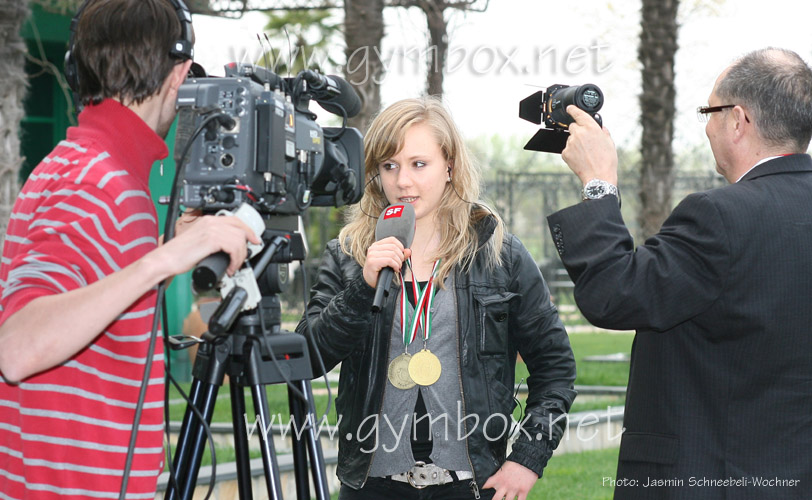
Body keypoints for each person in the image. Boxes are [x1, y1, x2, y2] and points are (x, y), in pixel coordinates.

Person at [0, 0, 259, 498]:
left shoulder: (87, 168)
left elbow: (108, 309)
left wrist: (172, 254)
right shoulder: (94, 181)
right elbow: (17, 347)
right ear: (180, 74)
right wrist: (162, 260)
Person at [547, 47, 812, 500]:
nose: (707, 127)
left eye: (709, 111)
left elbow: (614, 293)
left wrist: (598, 183)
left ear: (737, 120)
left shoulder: (719, 216)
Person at [297, 97, 576, 500]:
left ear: (449, 165)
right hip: (372, 487)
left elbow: (556, 369)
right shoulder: (348, 255)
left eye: (418, 164)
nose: (403, 181)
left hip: (470, 486)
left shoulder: (500, 255)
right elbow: (309, 355)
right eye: (389, 166)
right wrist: (364, 286)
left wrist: (527, 459)